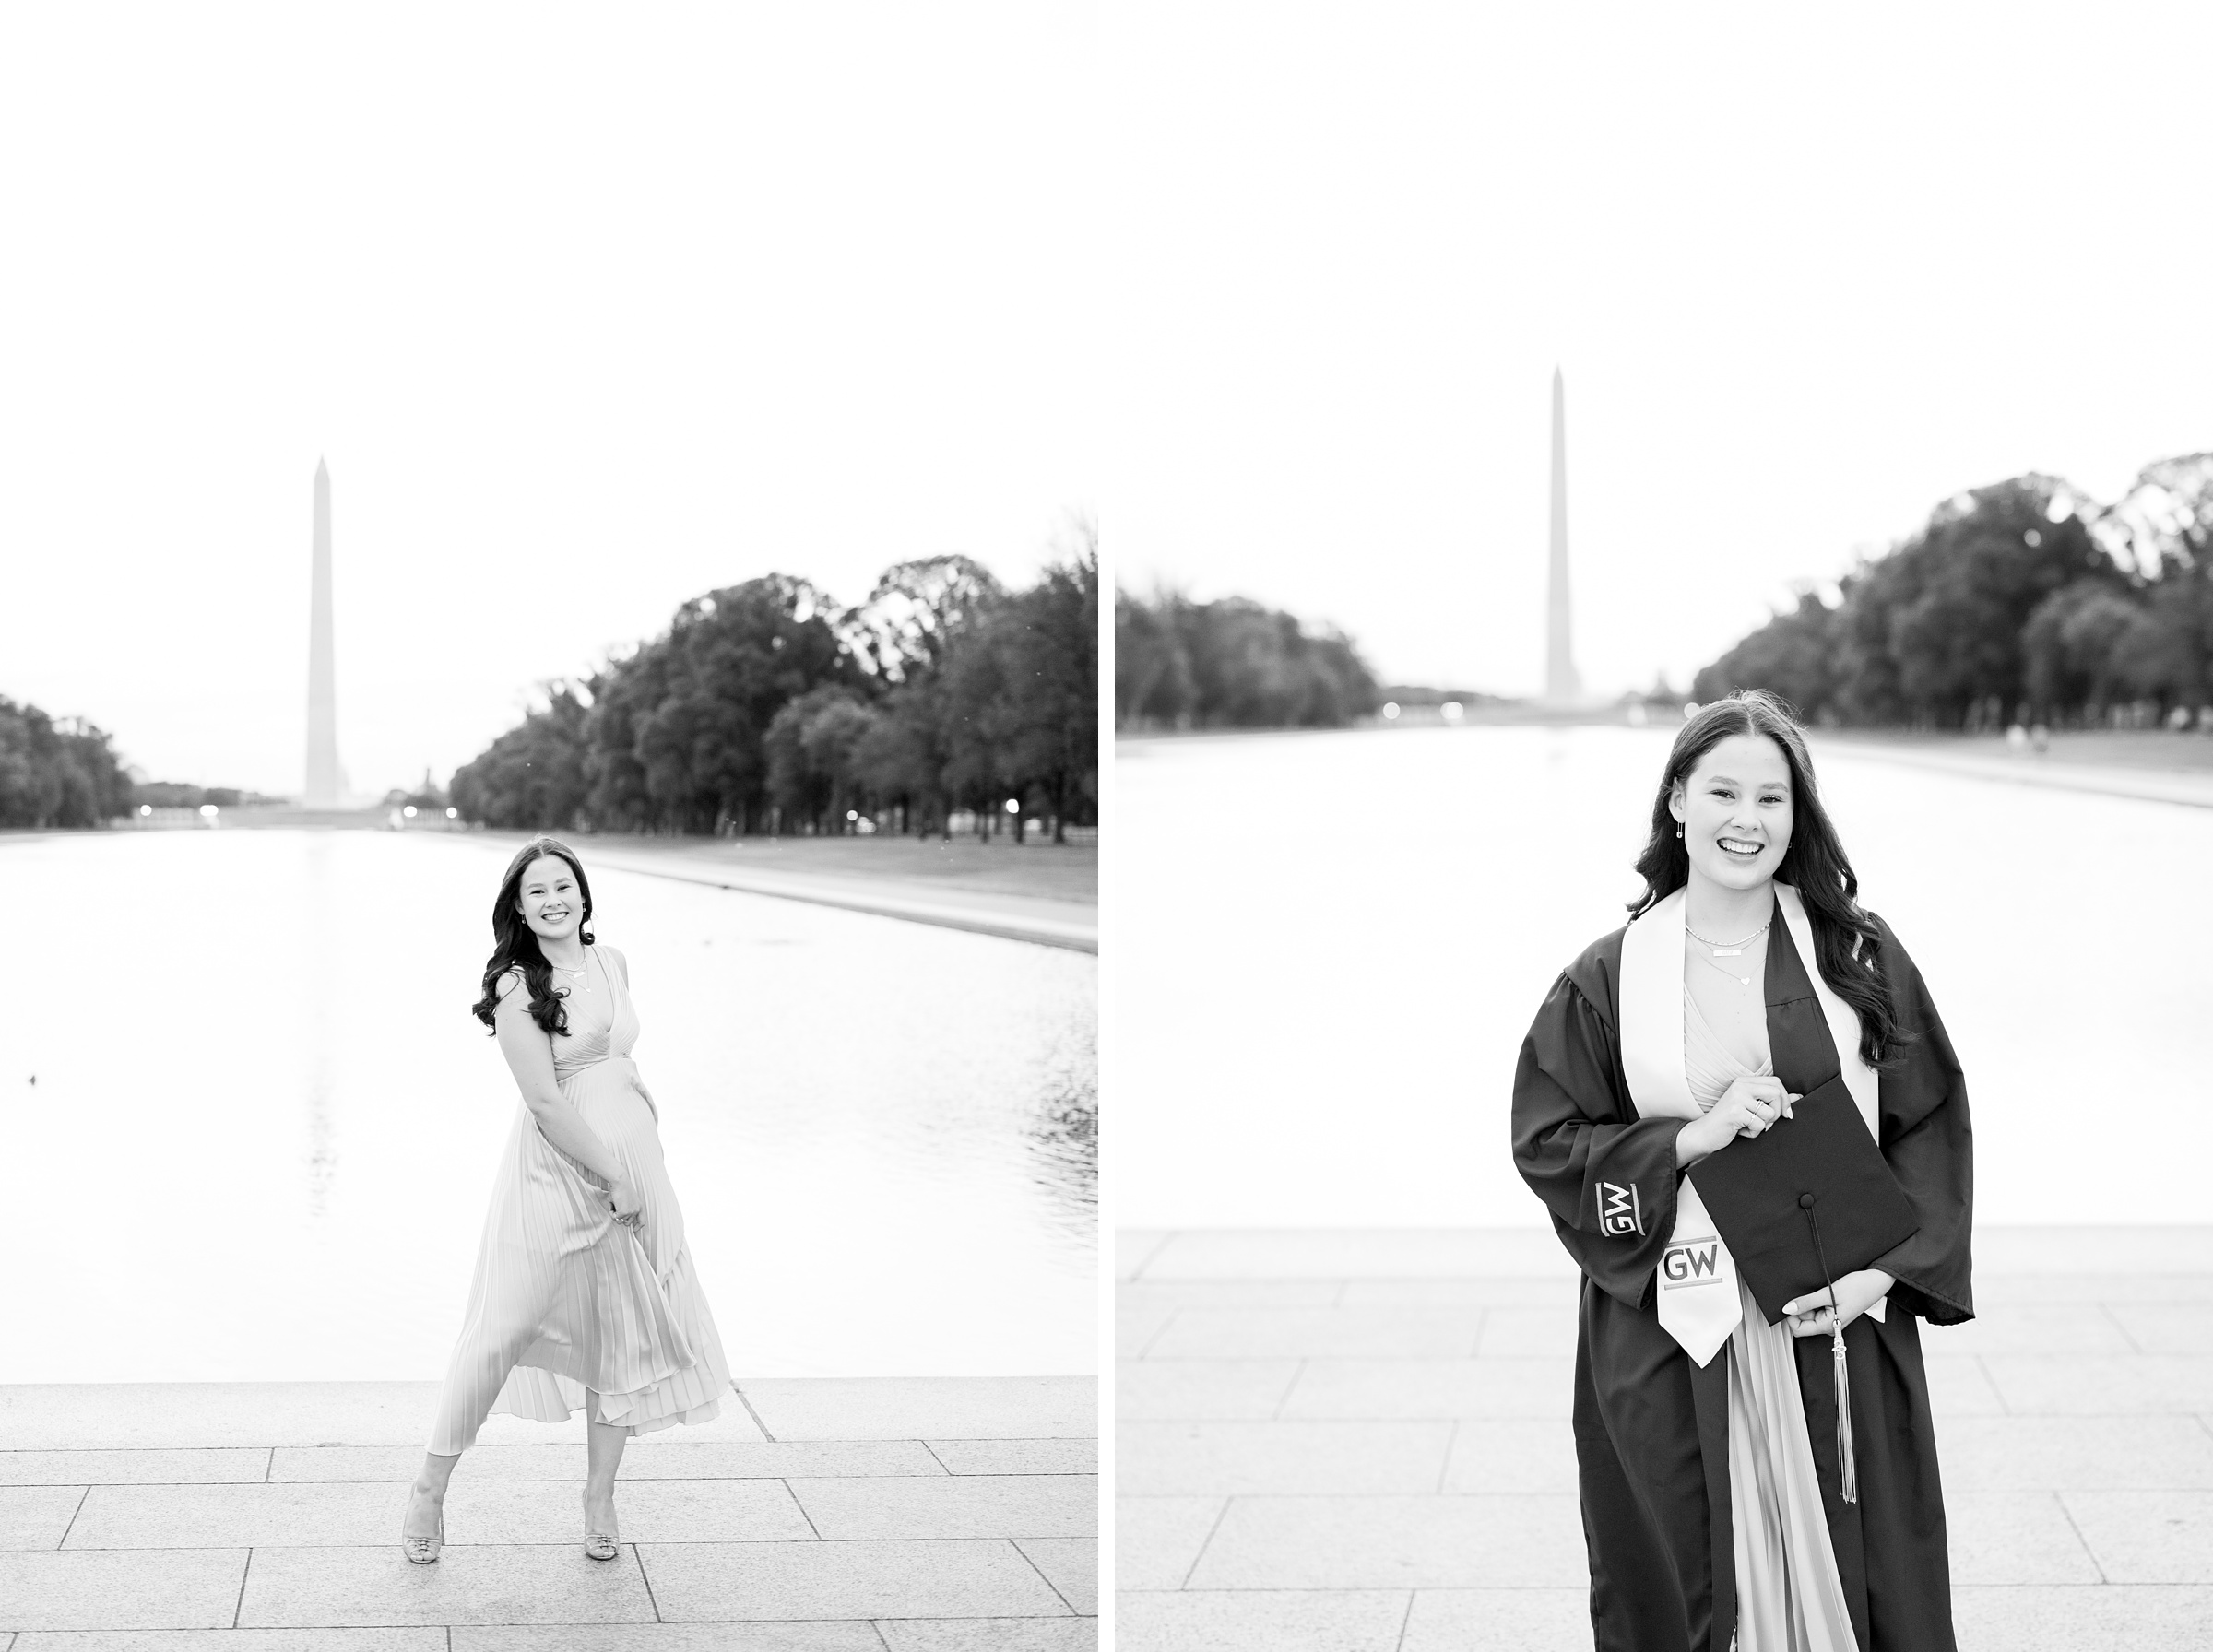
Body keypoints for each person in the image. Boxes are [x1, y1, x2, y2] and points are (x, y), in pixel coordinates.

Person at [1511, 691, 1972, 1651]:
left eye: (1773, 798)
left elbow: (1928, 1115)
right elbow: (1548, 1140)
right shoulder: (1608, 975)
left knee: (1866, 1582)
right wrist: (1690, 1136)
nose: (1747, 820)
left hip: (1836, 1315)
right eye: (1723, 791)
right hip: (1678, 1324)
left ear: (1796, 813)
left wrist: (1882, 1275)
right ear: (1678, 799)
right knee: (1684, 1583)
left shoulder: (1855, 951)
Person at [400, 836, 733, 1563]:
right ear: (517, 909)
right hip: (558, 1174)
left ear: (583, 893)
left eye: (563, 885)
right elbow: (546, 1102)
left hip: (636, 1162)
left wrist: (637, 1146)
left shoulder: (612, 961)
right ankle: (429, 1488)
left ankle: (599, 1498)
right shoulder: (518, 985)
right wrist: (609, 1173)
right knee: (500, 1332)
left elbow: (618, 1056)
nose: (553, 900)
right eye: (537, 892)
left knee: (625, 1332)